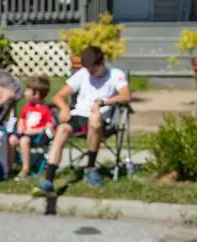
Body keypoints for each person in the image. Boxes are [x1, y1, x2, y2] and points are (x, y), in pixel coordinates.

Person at [33, 45, 130, 197]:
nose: (90, 72)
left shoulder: (115, 74)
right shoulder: (83, 73)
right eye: (88, 69)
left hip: (101, 121)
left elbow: (125, 96)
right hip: (78, 116)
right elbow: (58, 96)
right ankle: (48, 181)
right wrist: (64, 107)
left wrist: (103, 102)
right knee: (62, 130)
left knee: (95, 117)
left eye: (93, 69)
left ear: (102, 62)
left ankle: (90, 168)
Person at [12, 75, 54, 180]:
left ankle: (25, 169)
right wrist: (20, 129)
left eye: (27, 90)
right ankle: (8, 167)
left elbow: (49, 126)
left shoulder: (46, 109)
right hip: (24, 133)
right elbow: (22, 119)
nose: (25, 92)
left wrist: (35, 131)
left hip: (37, 137)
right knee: (11, 139)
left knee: (24, 141)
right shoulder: (28, 106)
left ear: (36, 94)